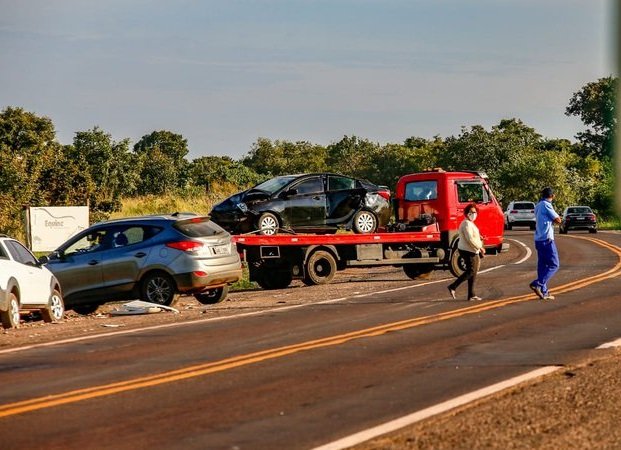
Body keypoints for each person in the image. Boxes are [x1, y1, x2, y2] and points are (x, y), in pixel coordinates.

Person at [448, 203, 485, 301]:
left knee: (473, 272)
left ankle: (471, 295)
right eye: (471, 212)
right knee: (471, 271)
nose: (473, 214)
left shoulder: (470, 223)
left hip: (472, 250)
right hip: (467, 250)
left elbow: (473, 235)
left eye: (475, 212)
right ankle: (453, 286)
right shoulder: (466, 224)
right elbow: (470, 239)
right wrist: (480, 248)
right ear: (467, 213)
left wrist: (479, 237)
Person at [530, 187, 562, 300]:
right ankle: (538, 283)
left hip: (538, 239)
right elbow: (558, 219)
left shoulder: (538, 205)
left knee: (542, 266)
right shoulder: (546, 204)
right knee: (554, 265)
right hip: (547, 239)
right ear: (552, 196)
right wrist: (557, 219)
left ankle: (544, 292)